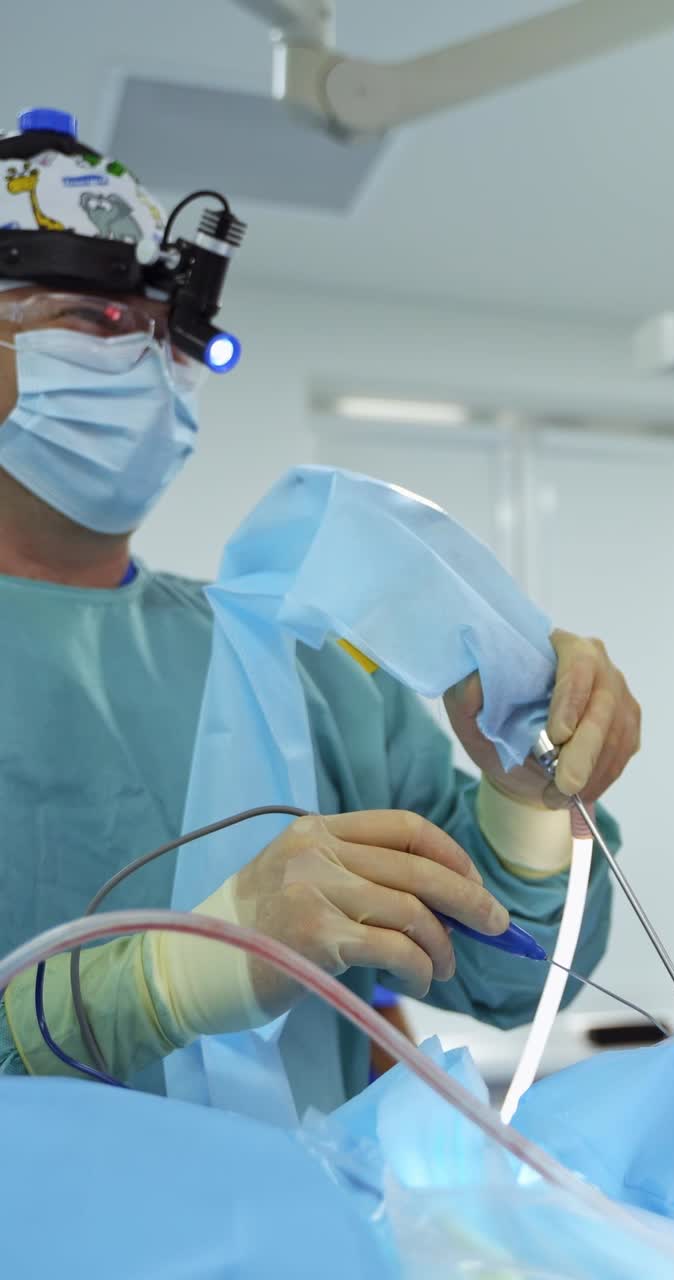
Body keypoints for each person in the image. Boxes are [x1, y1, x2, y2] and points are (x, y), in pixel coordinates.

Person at [0, 112, 641, 1107]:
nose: (155, 368)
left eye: (176, 333)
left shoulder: (289, 664)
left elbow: (509, 977)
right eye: (101, 322)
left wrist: (524, 795)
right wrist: (145, 990)